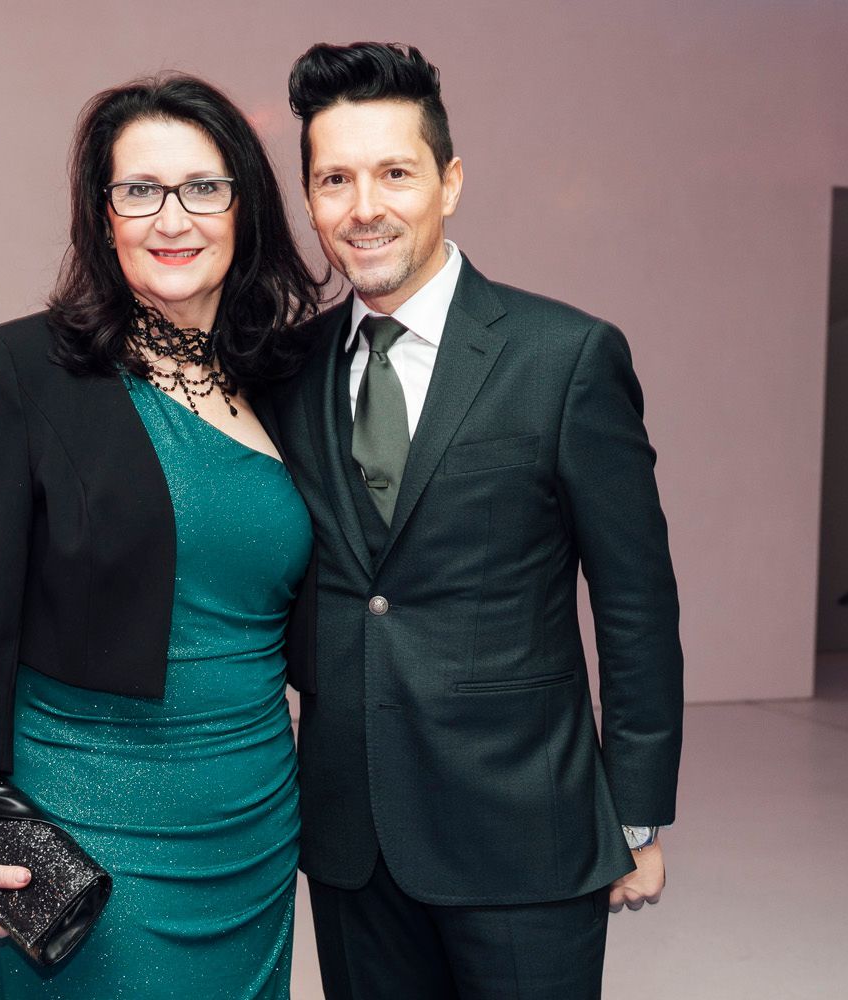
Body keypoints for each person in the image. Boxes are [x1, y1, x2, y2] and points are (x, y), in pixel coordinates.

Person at [263, 42, 685, 999]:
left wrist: (636, 812)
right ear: (312, 200)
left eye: (394, 173)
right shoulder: (287, 369)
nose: (363, 207)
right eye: (334, 179)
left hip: (525, 828)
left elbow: (635, 600)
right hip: (351, 838)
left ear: (449, 183)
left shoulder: (564, 356)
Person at [0, 74, 319, 999]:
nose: (173, 218)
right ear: (102, 214)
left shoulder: (288, 377)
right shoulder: (20, 371)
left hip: (253, 821)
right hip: (93, 823)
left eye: (203, 188)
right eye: (140, 190)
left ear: (245, 206)